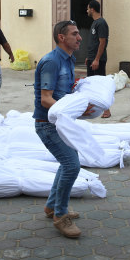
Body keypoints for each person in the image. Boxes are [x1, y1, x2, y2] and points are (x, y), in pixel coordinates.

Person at [33, 20, 93, 238]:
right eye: (75, 34)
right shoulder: (51, 62)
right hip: (47, 125)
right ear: (61, 37)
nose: (79, 37)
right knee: (72, 165)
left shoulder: (69, 59)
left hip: (61, 124)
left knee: (68, 161)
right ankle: (60, 215)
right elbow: (46, 99)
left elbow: (64, 94)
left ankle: (51, 206)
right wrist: (72, 110)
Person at [85, 0, 111, 118]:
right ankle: (92, 107)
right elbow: (93, 43)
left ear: (92, 9)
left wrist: (96, 59)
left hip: (98, 60)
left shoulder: (101, 23)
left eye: (87, 8)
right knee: (91, 85)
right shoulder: (94, 23)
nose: (87, 11)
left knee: (100, 85)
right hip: (91, 59)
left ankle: (107, 110)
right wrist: (89, 57)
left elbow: (102, 42)